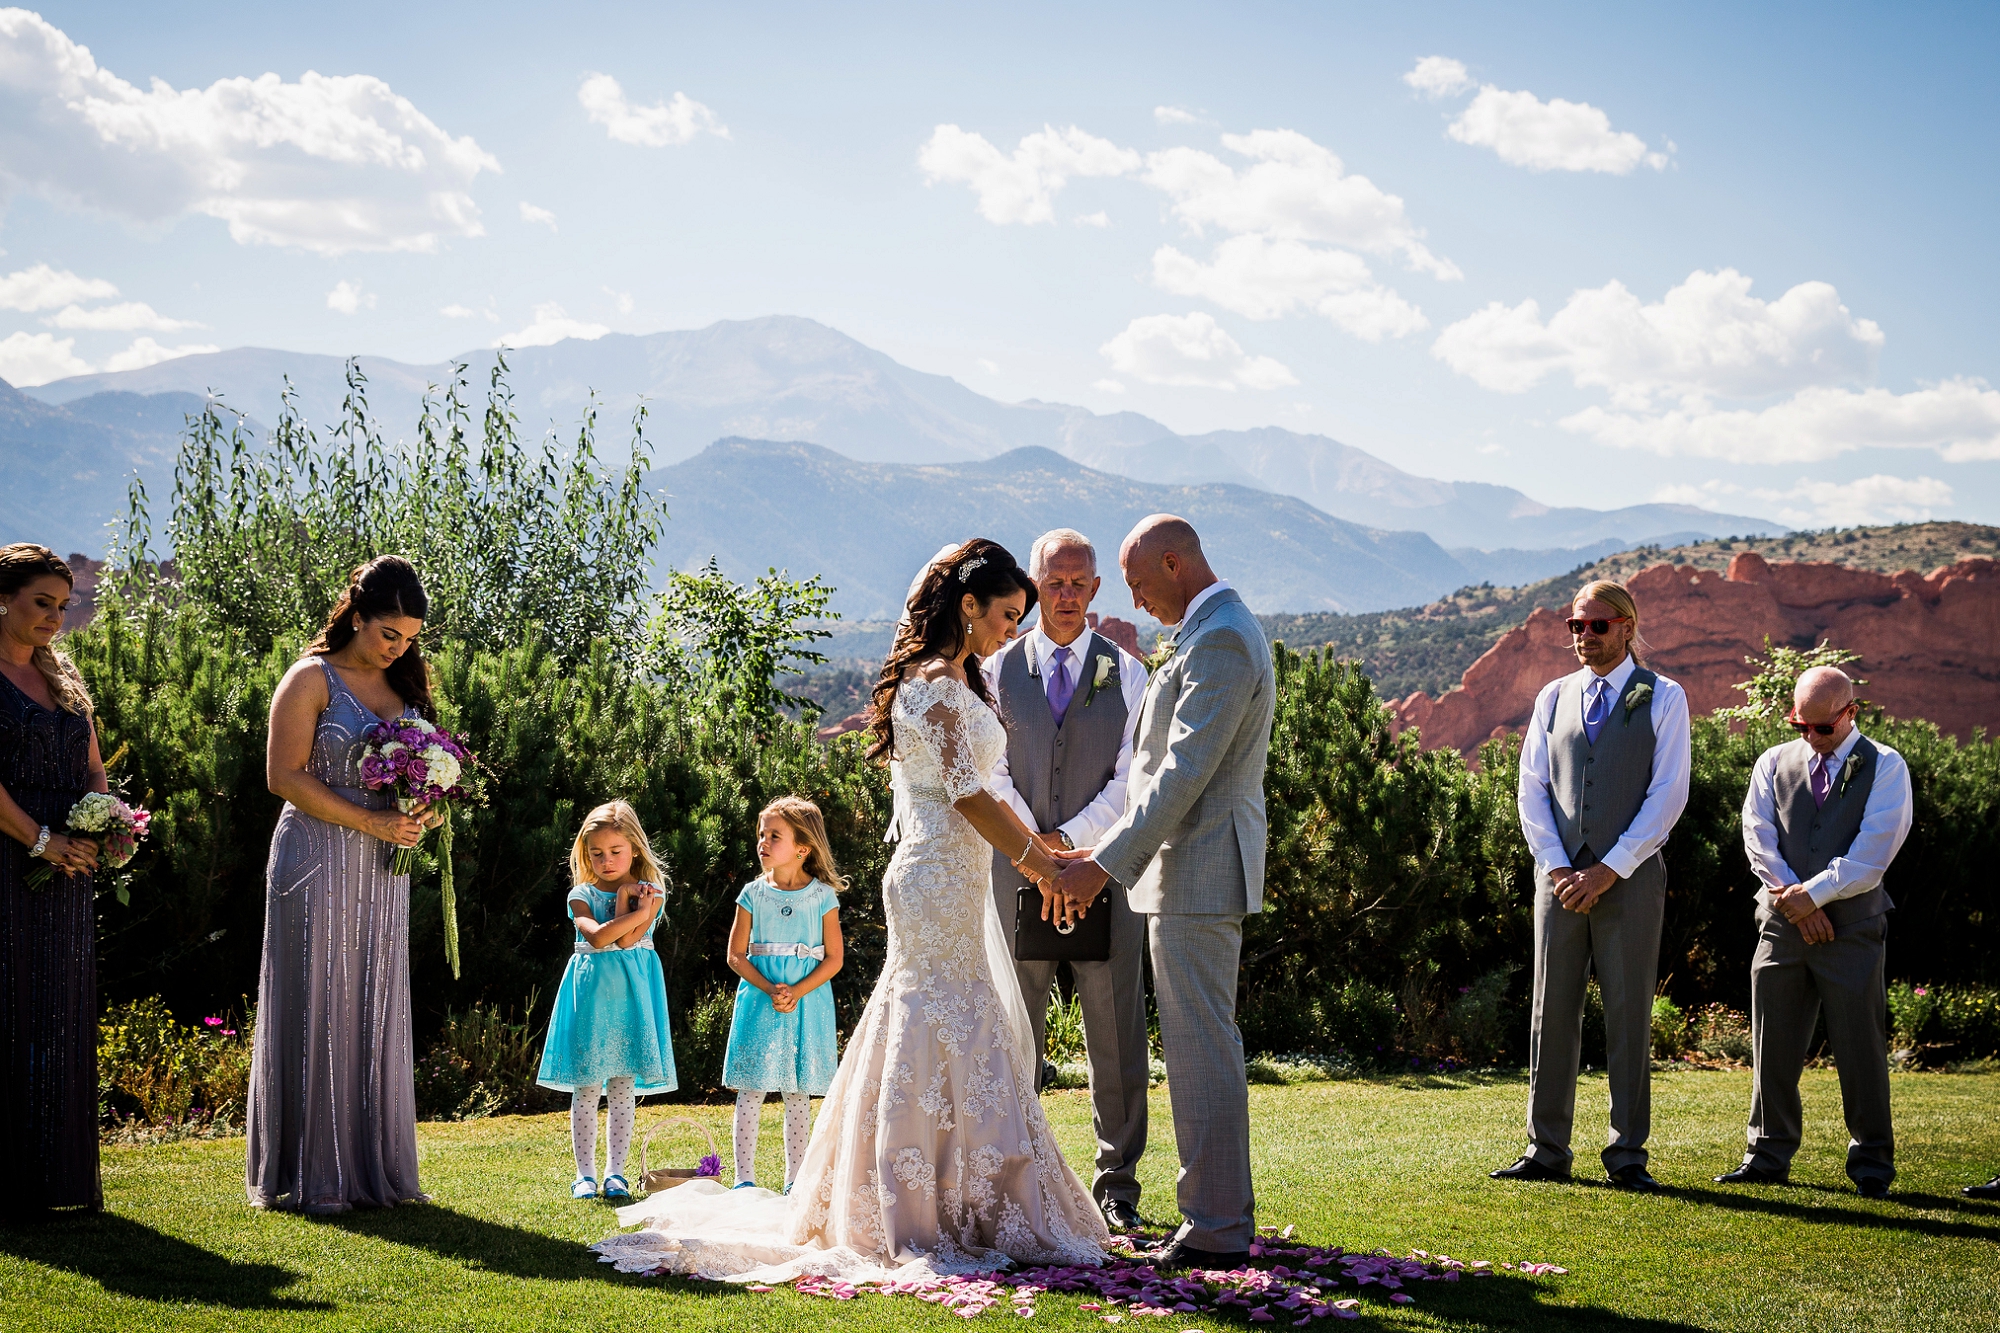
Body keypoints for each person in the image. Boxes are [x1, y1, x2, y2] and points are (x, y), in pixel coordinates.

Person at [601, 538, 1110, 1283]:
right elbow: (967, 795)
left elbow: (988, 792)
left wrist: (1043, 854)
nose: (1011, 629)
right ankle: (907, 1200)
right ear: (967, 606)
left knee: (955, 1016)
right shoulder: (934, 684)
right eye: (1005, 614)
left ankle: (965, 1193)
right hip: (934, 873)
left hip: (957, 872)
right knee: (932, 1013)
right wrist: (1043, 864)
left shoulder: (958, 678)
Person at [1049, 515, 1275, 1270]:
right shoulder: (1211, 628)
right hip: (1182, 872)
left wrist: (1101, 865)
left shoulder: (1221, 637)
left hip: (1200, 870)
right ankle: (1217, 1213)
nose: (1138, 602)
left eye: (1142, 584)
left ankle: (1214, 1224)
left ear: (1175, 563)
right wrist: (1101, 850)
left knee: (1202, 1048)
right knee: (1195, 1047)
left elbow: (1183, 772)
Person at [246, 555, 441, 1214]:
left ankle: (370, 1168)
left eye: (410, 638)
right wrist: (368, 820)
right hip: (317, 861)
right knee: (322, 998)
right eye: (390, 633)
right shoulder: (310, 678)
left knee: (372, 999)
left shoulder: (406, 689)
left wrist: (427, 806)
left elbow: (426, 776)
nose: (399, 647)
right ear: (357, 616)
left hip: (383, 870)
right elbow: (283, 775)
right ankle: (312, 1173)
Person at [1492, 579, 1690, 1193]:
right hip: (1557, 878)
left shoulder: (1664, 697)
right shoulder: (1553, 696)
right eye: (1576, 626)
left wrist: (1610, 869)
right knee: (1551, 1012)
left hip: (1628, 880)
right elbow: (1532, 788)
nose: (1585, 637)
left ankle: (1627, 1154)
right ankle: (1546, 1149)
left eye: (1598, 626)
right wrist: (1557, 868)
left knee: (1629, 1014)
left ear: (1628, 627)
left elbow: (1668, 794)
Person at [983, 528, 1149, 1232]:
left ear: (1096, 589)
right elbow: (986, 772)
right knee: (1012, 1032)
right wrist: (1034, 852)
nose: (1067, 594)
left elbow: (1132, 779)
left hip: (1102, 875)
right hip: (1013, 873)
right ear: (1035, 583)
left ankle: (1118, 1185)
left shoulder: (1129, 673)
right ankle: (1018, 1184)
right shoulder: (992, 671)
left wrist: (1069, 846)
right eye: (1055, 581)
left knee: (1115, 1034)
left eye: (1080, 582)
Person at [1716, 666, 1911, 1199]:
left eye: (1822, 728)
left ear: (1850, 713)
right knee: (1772, 1041)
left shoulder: (1887, 766)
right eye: (1800, 725)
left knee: (1860, 1045)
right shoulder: (1772, 762)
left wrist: (1815, 896)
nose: (1810, 737)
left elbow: (1874, 853)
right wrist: (1797, 903)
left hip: (1853, 925)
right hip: (1781, 923)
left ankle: (1872, 1163)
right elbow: (1757, 837)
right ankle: (1766, 1154)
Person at [0, 544, 106, 1217]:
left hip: (68, 871)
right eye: (43, 602)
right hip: (10, 862)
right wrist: (40, 839)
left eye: (62, 607)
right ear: (3, 596)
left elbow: (92, 765)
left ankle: (56, 1181)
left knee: (58, 1014)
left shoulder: (62, 674)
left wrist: (99, 824)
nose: (55, 619)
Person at [537, 800, 677, 1202]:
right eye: (596, 853)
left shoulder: (654, 891)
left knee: (622, 1086)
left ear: (634, 848)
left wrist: (640, 904)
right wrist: (634, 905)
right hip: (591, 997)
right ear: (586, 853)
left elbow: (628, 940)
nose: (606, 860)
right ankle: (585, 1175)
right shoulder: (580, 894)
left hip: (632, 995)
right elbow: (599, 938)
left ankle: (616, 1173)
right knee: (586, 1085)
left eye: (615, 851)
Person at [722, 797, 845, 1193]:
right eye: (761, 834)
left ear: (802, 848)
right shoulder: (752, 894)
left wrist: (797, 991)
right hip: (760, 1002)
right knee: (752, 1089)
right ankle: (744, 1179)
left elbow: (834, 958)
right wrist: (770, 988)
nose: (763, 841)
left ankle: (796, 1180)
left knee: (798, 1090)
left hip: (807, 1005)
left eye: (774, 835)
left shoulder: (822, 897)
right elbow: (735, 955)